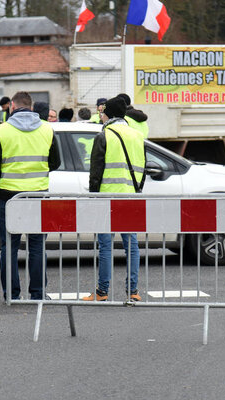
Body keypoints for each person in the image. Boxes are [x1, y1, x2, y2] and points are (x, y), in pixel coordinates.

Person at [0, 91, 60, 300]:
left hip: (9, 196)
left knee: (9, 246)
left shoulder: (1, 130)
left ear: (12, 107)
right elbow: (56, 162)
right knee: (37, 245)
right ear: (32, 107)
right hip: (37, 194)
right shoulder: (47, 129)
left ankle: (12, 294)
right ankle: (38, 293)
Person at [83, 97, 146, 302]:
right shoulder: (137, 135)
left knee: (106, 246)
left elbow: (96, 172)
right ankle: (133, 291)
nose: (100, 116)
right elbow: (142, 168)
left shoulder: (104, 136)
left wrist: (94, 196)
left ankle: (102, 292)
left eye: (102, 113)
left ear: (108, 114)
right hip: (130, 196)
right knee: (132, 245)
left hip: (107, 197)